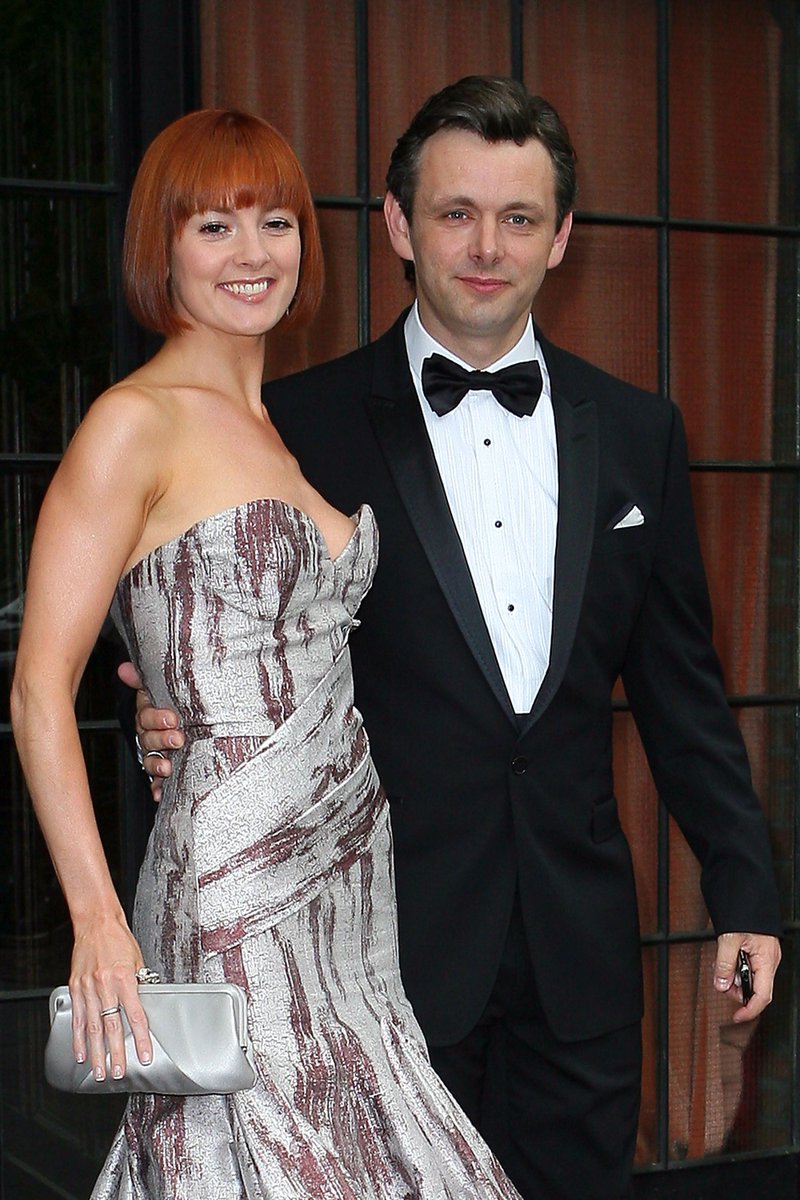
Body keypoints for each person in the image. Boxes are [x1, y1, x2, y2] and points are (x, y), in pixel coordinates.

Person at [131, 79, 784, 1200]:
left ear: (560, 238)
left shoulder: (639, 433)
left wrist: (747, 896)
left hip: (576, 966)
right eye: (453, 213)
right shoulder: (291, 430)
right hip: (369, 961)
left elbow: (681, 696)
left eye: (518, 218)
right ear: (396, 224)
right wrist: (165, 716)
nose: (486, 247)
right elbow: (199, 624)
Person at [11, 107, 525, 1199]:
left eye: (276, 222)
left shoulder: (280, 428)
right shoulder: (131, 424)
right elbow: (38, 693)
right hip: (232, 884)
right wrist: (98, 922)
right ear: (163, 246)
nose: (252, 255)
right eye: (213, 226)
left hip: (349, 873)